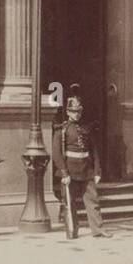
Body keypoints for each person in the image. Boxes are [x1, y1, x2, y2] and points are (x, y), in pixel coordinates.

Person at [51, 88, 111, 238]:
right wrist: (64, 173)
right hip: (69, 171)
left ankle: (98, 229)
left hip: (86, 170)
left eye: (78, 111)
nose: (76, 114)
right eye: (73, 111)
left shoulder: (86, 129)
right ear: (68, 112)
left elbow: (94, 151)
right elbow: (56, 154)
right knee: (70, 204)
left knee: (93, 201)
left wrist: (97, 171)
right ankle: (72, 230)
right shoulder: (62, 130)